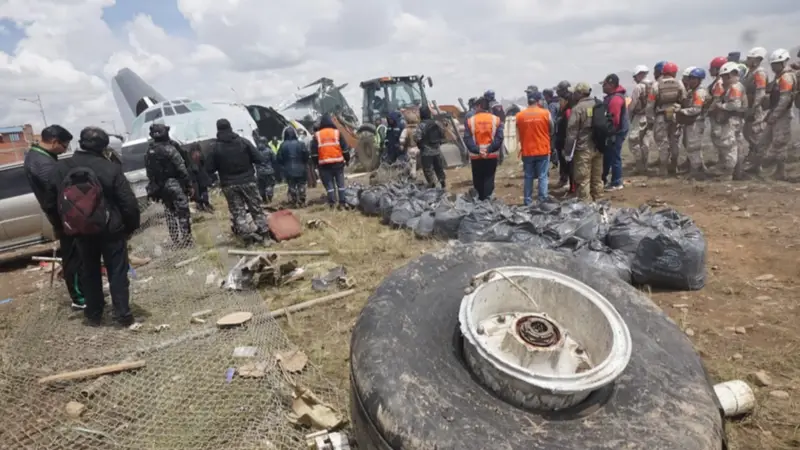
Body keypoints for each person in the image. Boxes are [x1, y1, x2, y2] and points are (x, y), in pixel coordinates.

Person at [43, 127, 140, 326]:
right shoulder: (110, 168)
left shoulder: (62, 168)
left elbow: (50, 203)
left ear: (80, 142)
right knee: (117, 272)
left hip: (80, 231)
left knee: (89, 271)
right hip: (111, 229)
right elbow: (128, 202)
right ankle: (123, 315)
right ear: (104, 147)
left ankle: (94, 313)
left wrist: (62, 227)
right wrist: (130, 227)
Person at [23, 125, 85, 310]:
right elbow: (59, 187)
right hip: (62, 215)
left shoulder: (42, 157)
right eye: (64, 145)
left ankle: (83, 291)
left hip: (63, 212)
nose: (65, 149)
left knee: (77, 253)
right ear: (54, 141)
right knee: (73, 254)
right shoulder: (41, 162)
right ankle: (79, 297)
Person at [206, 118, 269, 244]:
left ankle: (248, 240)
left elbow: (209, 168)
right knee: (256, 209)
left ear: (218, 130)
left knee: (238, 213)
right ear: (230, 127)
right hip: (248, 181)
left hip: (229, 184)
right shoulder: (243, 142)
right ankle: (265, 237)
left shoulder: (215, 148)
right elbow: (259, 158)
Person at [144, 123, 193, 247]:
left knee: (170, 212)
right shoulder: (169, 148)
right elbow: (182, 168)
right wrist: (189, 185)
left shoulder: (149, 151)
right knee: (182, 212)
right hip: (174, 183)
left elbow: (149, 172)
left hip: (160, 187)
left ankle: (175, 240)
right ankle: (187, 241)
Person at [753, 49, 795, 179]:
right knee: (765, 141)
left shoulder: (786, 77)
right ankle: (770, 170)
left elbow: (785, 99)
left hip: (782, 115)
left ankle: (779, 171)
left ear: (783, 63)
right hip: (774, 113)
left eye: (776, 64)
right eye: (772, 64)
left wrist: (774, 115)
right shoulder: (778, 77)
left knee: (779, 143)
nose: (773, 67)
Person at [647, 61, 686, 176]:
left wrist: (651, 120)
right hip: (675, 115)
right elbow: (683, 99)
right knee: (674, 141)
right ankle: (674, 167)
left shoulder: (656, 85)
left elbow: (650, 104)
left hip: (661, 116)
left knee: (663, 143)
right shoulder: (679, 83)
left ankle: (663, 168)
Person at [565, 82, 603, 202]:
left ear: (580, 94)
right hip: (598, 147)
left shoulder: (578, 109)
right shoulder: (598, 104)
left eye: (575, 92)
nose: (573, 95)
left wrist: (567, 152)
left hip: (583, 149)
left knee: (583, 180)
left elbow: (571, 133)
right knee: (597, 179)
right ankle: (600, 204)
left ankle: (587, 208)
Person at [710, 62, 747, 179]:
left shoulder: (735, 87)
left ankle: (728, 174)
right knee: (736, 146)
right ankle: (737, 172)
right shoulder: (736, 86)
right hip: (736, 119)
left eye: (726, 76)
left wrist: (721, 106)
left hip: (732, 120)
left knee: (729, 147)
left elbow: (735, 104)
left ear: (733, 74)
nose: (724, 79)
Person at [516, 91, 553, 204]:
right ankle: (542, 201)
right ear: (538, 101)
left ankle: (527, 201)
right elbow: (551, 129)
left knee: (528, 176)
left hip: (527, 150)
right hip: (542, 149)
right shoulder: (545, 113)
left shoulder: (519, 116)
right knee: (542, 176)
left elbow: (518, 133)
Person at [464, 96, 503, 200]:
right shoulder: (496, 120)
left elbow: (467, 139)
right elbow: (499, 138)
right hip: (491, 155)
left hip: (476, 156)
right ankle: (488, 202)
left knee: (478, 180)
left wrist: (478, 150)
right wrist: (488, 150)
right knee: (489, 179)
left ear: (479, 106)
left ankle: (480, 203)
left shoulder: (470, 121)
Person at [676, 68, 710, 179]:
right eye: (690, 78)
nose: (691, 81)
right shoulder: (693, 91)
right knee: (691, 146)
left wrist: (681, 111)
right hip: (691, 122)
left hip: (696, 122)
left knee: (693, 147)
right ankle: (697, 169)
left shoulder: (699, 92)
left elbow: (696, 109)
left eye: (694, 79)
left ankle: (696, 171)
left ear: (699, 80)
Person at [311, 113, 351, 207]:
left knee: (330, 186)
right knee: (341, 184)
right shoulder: (337, 133)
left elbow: (314, 153)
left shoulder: (317, 135)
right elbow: (345, 149)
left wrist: (316, 164)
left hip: (324, 165)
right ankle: (342, 203)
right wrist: (347, 159)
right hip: (338, 163)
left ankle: (332, 203)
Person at [600, 74, 629, 191]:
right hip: (616, 131)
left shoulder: (616, 99)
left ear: (611, 85)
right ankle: (608, 179)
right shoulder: (613, 96)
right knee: (610, 156)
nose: (603, 87)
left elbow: (614, 119)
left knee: (615, 156)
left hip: (616, 132)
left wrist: (610, 132)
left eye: (604, 84)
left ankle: (617, 182)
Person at [742, 47, 768, 170]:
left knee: (755, 133)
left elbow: (760, 92)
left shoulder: (759, 73)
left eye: (749, 58)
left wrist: (754, 107)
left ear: (757, 59)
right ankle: (753, 155)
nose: (747, 60)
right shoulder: (750, 72)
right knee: (747, 133)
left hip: (755, 108)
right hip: (749, 107)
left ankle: (758, 162)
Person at [414, 105, 447, 189]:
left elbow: (416, 138)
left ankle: (432, 185)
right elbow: (443, 133)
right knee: (439, 168)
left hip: (426, 152)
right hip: (437, 150)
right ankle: (442, 182)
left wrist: (420, 143)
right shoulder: (436, 123)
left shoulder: (421, 125)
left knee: (428, 170)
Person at [628, 65, 653, 174]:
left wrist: (629, 115)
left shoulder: (638, 87)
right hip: (651, 116)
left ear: (639, 75)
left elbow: (633, 104)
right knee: (645, 141)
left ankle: (639, 165)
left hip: (639, 116)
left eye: (635, 76)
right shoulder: (654, 85)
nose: (634, 79)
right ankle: (645, 164)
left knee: (633, 141)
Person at [276, 127, 310, 207]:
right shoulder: (301, 144)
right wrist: (304, 162)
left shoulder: (282, 145)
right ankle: (302, 200)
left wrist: (283, 165)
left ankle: (294, 201)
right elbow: (306, 155)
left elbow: (278, 158)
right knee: (301, 184)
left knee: (291, 185)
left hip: (288, 169)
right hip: (301, 167)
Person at [707, 56, 729, 169]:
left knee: (720, 138)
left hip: (718, 115)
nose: (710, 70)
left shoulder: (719, 83)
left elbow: (716, 100)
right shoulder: (719, 82)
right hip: (717, 114)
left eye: (712, 68)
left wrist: (707, 111)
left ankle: (725, 162)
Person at [554, 80, 575, 191]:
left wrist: (567, 144)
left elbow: (568, 128)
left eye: (561, 100)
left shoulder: (568, 110)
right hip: (561, 139)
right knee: (563, 162)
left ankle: (568, 182)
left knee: (567, 163)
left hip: (566, 140)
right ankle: (564, 179)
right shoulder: (563, 110)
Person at [188, 143, 214, 212]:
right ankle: (206, 204)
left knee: (197, 193)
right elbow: (205, 164)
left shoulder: (190, 156)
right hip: (202, 176)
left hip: (195, 178)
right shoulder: (201, 155)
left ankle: (200, 205)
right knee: (204, 191)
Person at [255, 137, 277, 204]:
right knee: (269, 185)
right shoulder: (269, 150)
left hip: (259, 172)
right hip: (269, 171)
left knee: (261, 187)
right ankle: (270, 199)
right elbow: (274, 159)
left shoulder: (255, 151)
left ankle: (264, 200)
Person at [543, 89, 560, 166]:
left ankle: (555, 162)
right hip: (559, 128)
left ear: (547, 96)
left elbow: (552, 119)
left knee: (553, 146)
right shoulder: (558, 102)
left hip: (554, 129)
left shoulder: (551, 105)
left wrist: (550, 131)